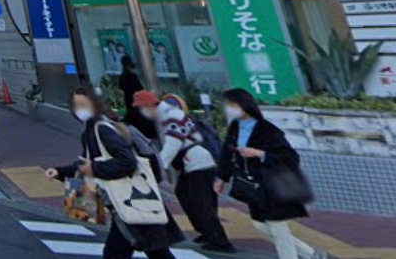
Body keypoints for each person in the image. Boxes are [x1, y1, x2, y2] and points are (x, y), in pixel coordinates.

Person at [47, 88, 183, 259]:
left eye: (84, 104)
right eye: (77, 106)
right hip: (132, 201)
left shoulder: (102, 129)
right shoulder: (91, 130)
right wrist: (60, 172)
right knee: (155, 251)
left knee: (117, 253)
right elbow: (85, 164)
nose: (80, 110)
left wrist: (93, 169)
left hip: (131, 199)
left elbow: (127, 162)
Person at [217, 89, 324, 259]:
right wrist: (222, 177)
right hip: (255, 187)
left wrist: (260, 154)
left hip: (274, 185)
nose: (228, 108)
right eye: (227, 105)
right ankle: (311, 255)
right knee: (259, 225)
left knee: (278, 228)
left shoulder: (268, 130)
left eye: (232, 105)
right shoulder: (235, 127)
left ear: (244, 105)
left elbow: (290, 158)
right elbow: (226, 153)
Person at [136, 91, 234, 253]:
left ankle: (220, 241)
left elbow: (173, 143)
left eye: (141, 108)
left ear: (149, 105)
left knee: (201, 202)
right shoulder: (166, 114)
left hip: (199, 162)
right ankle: (207, 232)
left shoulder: (169, 115)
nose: (141, 112)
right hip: (193, 162)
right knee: (185, 193)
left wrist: (158, 166)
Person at [119, 56, 158, 140]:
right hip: (137, 102)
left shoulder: (123, 76)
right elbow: (139, 89)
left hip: (130, 102)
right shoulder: (131, 76)